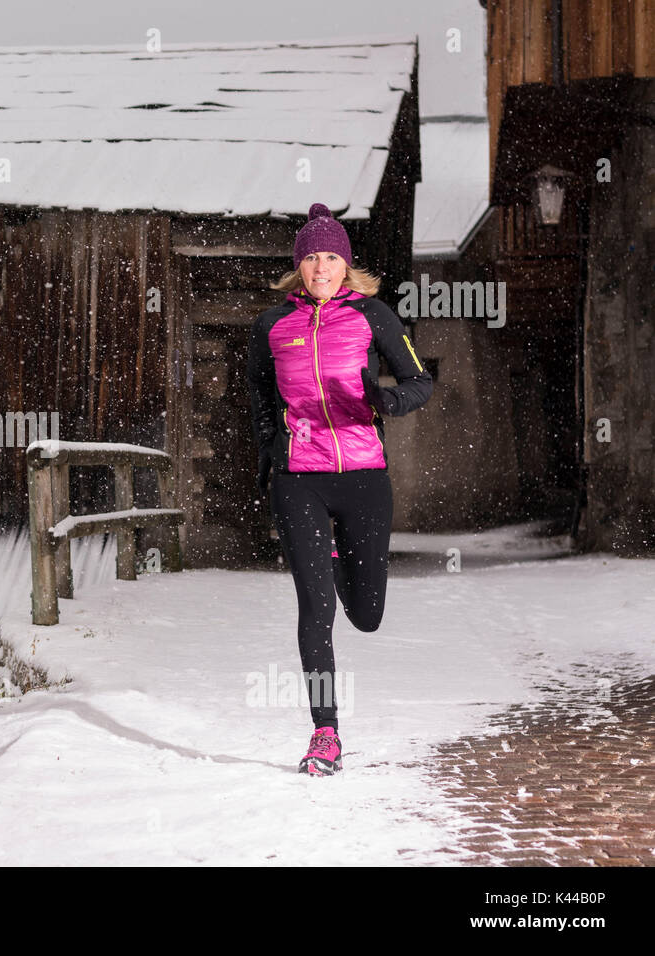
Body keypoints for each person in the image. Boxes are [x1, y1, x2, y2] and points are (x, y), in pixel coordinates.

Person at [246, 203, 433, 776]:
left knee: (367, 614)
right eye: (310, 257)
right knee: (315, 606)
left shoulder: (374, 315)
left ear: (345, 264)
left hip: (364, 477)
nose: (320, 267)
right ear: (297, 266)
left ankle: (335, 555)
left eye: (330, 256)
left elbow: (418, 380)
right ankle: (325, 732)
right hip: (299, 481)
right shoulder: (272, 325)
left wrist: (390, 400)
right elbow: (256, 397)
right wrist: (271, 454)